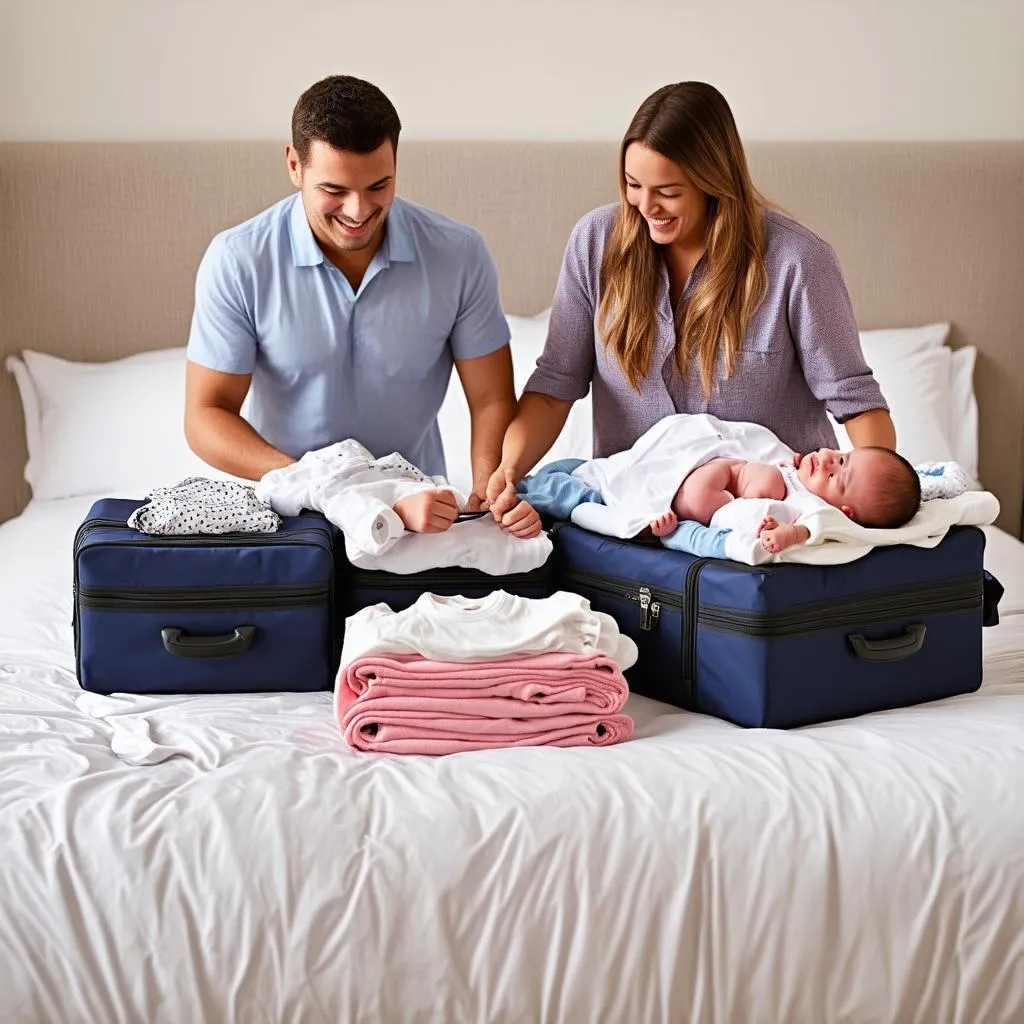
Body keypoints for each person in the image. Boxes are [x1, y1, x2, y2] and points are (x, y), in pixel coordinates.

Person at [486, 81, 896, 527]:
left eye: (668, 191)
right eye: (632, 185)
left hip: (770, 540)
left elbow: (857, 402)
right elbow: (554, 387)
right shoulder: (595, 243)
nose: (646, 206)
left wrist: (872, 516)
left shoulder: (798, 262)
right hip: (634, 531)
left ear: (713, 181)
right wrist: (507, 472)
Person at [184, 75, 527, 535]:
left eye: (378, 186)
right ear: (294, 164)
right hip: (291, 517)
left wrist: (487, 487)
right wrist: (321, 486)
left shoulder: (459, 254)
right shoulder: (238, 260)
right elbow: (207, 414)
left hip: (420, 513)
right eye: (334, 190)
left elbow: (491, 398)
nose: (358, 210)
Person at [511, 412, 921, 556]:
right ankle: (533, 485)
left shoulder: (807, 506)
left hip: (701, 490)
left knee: (572, 491)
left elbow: (815, 530)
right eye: (843, 456)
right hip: (706, 459)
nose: (830, 459)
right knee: (577, 468)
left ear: (844, 510)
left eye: (837, 475)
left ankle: (538, 494)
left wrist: (785, 533)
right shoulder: (794, 468)